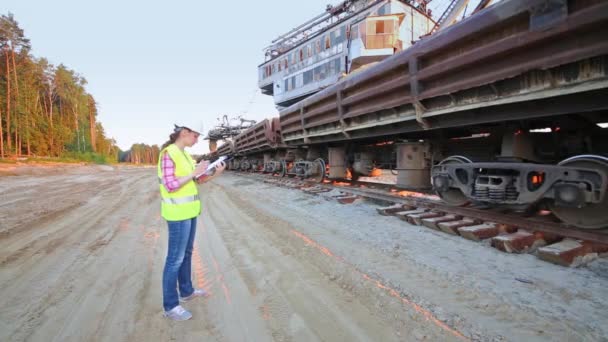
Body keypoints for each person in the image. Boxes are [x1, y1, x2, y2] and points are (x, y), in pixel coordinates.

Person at [157, 124, 226, 321]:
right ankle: (170, 306)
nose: (197, 140)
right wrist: (194, 172)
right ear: (184, 132)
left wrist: (215, 172)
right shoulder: (168, 153)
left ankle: (186, 291)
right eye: (195, 135)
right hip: (177, 213)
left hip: (189, 211)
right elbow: (170, 185)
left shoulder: (186, 155)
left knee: (186, 253)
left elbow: (196, 181)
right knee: (174, 260)